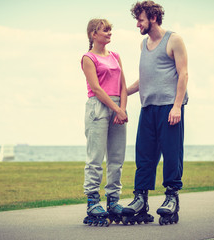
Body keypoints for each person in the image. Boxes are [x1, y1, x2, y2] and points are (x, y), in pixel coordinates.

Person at [122, 1, 189, 226]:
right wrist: (123, 92)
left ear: (152, 18)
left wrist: (177, 106)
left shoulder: (174, 40)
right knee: (144, 155)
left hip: (170, 108)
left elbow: (183, 74)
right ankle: (140, 198)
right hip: (148, 108)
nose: (137, 24)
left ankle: (171, 198)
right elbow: (146, 79)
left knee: (171, 154)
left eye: (140, 19)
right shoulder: (144, 44)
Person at [81, 18, 128, 226]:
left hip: (118, 108)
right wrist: (116, 108)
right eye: (105, 30)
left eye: (110, 30)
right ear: (93, 34)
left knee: (116, 159)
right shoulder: (88, 58)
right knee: (96, 158)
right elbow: (97, 88)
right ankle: (93, 201)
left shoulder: (116, 56)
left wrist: (122, 110)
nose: (109, 33)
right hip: (98, 108)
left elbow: (123, 86)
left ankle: (113, 201)